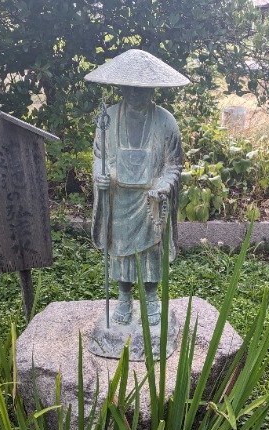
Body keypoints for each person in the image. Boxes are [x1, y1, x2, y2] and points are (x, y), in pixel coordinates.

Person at [86, 49, 189, 326]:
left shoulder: (166, 121)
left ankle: (152, 298)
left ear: (152, 90)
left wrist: (164, 186)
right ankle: (123, 297)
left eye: (142, 90)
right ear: (122, 89)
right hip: (119, 198)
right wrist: (101, 175)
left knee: (150, 250)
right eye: (130, 90)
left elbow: (174, 165)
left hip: (149, 201)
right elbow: (99, 156)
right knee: (119, 248)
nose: (136, 95)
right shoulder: (107, 119)